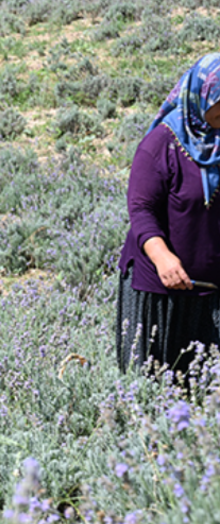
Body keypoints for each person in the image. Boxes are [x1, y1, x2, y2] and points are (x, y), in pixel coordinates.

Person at [117, 53, 220, 377]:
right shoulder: (160, 144)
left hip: (212, 287)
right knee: (152, 384)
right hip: (158, 288)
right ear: (201, 96)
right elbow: (141, 210)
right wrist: (162, 257)